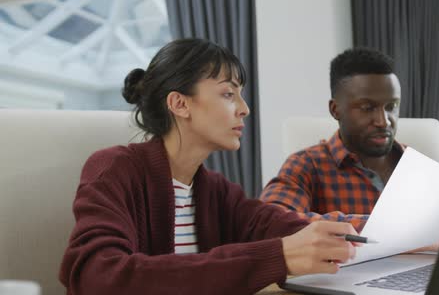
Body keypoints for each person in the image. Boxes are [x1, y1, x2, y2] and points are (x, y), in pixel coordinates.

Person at [59, 38, 359, 295]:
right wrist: (276, 256)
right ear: (179, 104)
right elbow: (99, 278)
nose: (244, 108)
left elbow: (287, 227)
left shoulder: (216, 190)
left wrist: (384, 235)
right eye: (228, 94)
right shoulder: (114, 169)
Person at [260, 47, 405, 232]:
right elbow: (271, 222)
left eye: (391, 106)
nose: (383, 121)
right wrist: (382, 228)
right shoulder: (306, 165)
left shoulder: (420, 166)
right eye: (367, 107)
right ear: (335, 110)